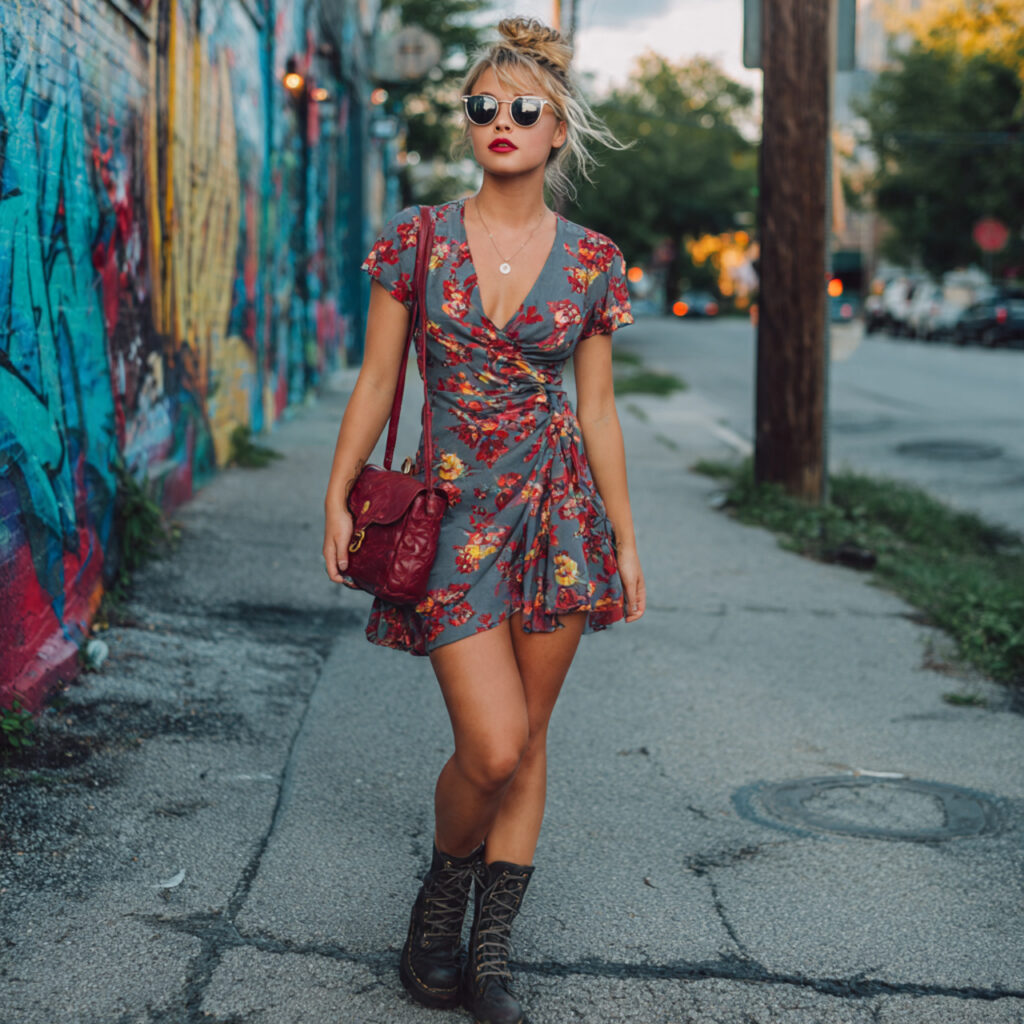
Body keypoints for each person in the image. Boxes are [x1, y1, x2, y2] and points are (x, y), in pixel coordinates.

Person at [323, 16, 645, 1024]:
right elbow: (379, 378)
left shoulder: (593, 260)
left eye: (523, 108)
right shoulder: (416, 238)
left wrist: (627, 542)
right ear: (465, 123)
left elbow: (596, 409)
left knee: (532, 736)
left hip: (556, 518)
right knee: (493, 744)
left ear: (556, 132)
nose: (499, 121)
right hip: (450, 513)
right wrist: (335, 492)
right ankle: (440, 893)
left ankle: (489, 952)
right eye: (481, 106)